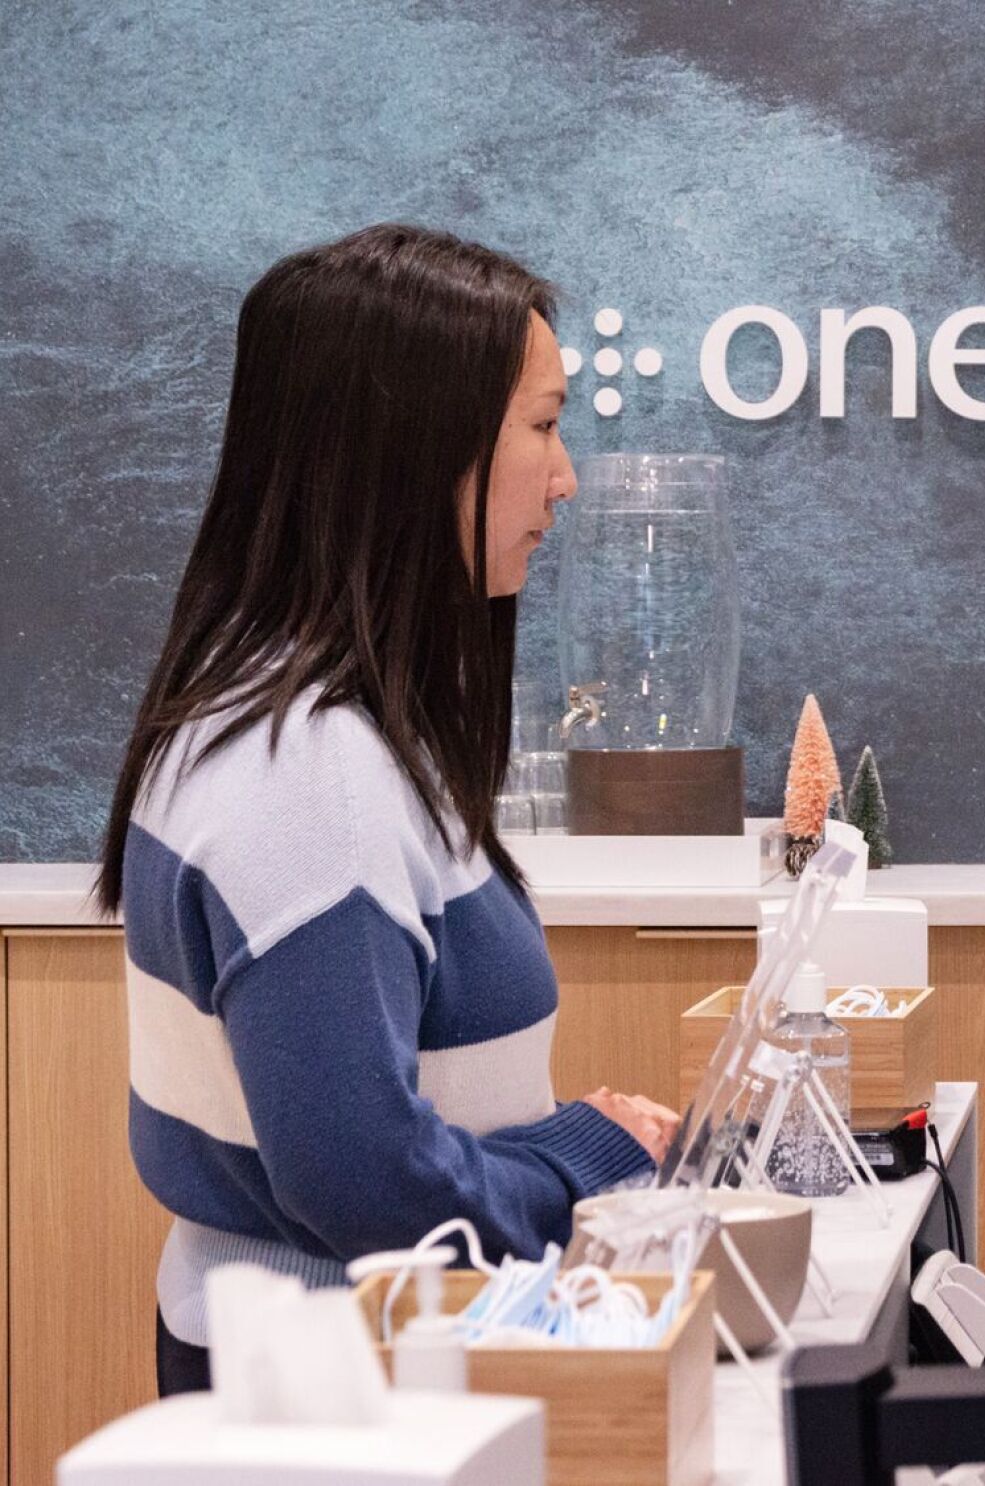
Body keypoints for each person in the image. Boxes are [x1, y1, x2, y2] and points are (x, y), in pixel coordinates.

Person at [94, 223, 683, 1396]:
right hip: (337, 1384)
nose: (564, 479)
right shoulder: (302, 773)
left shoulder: (296, 724)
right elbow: (366, 1182)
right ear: (422, 449)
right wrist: (589, 1151)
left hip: (353, 1363)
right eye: (546, 426)